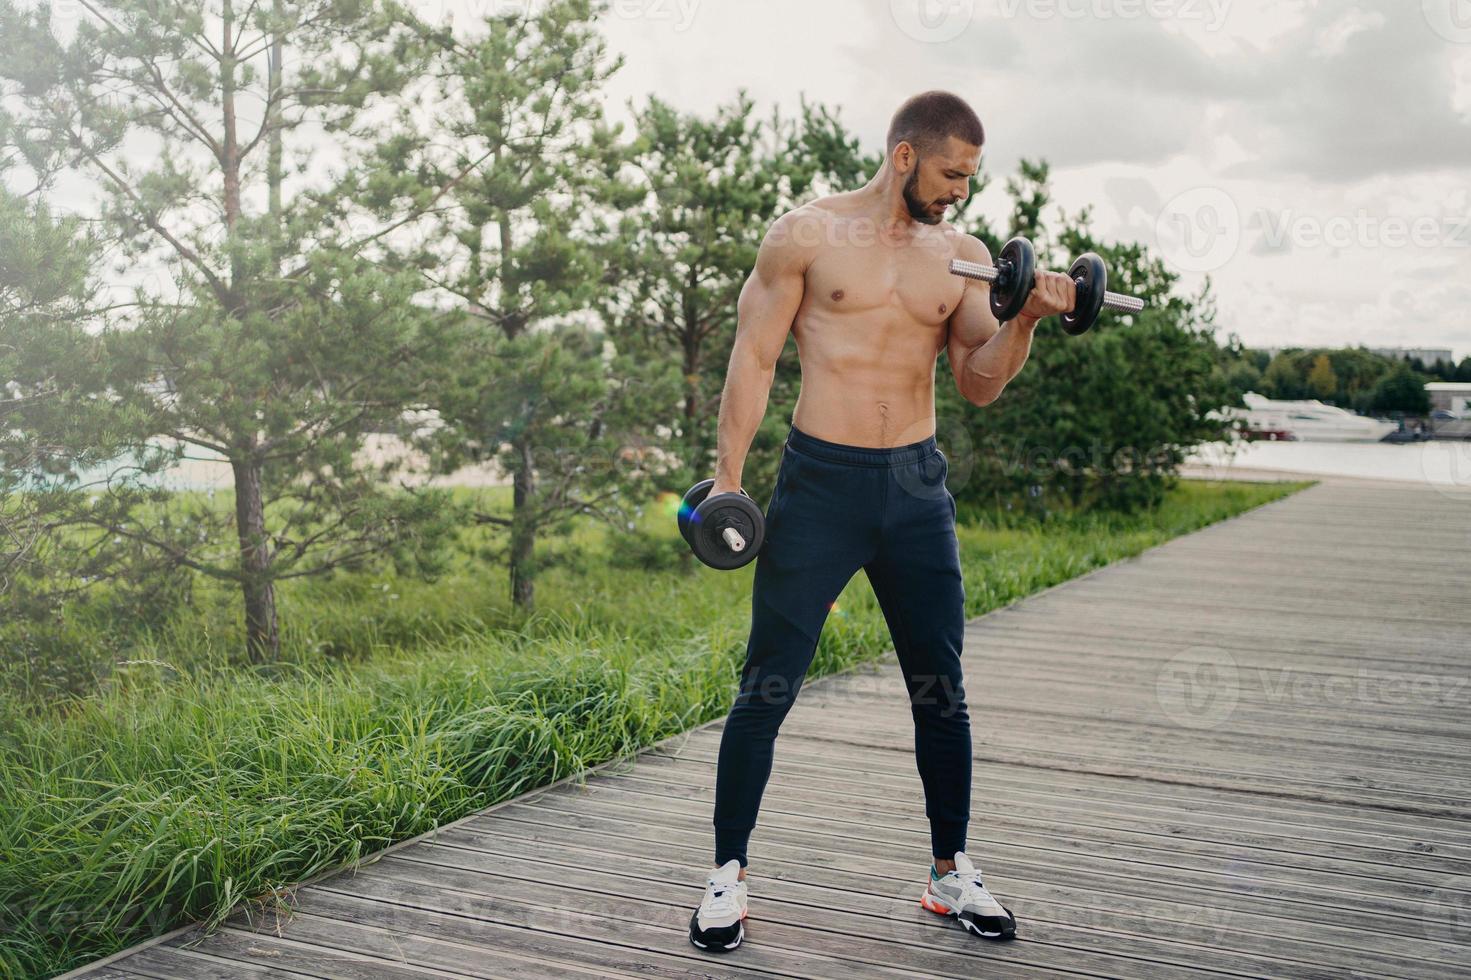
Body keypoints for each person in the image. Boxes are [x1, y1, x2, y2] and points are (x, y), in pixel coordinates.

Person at [687, 90, 1077, 953]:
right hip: (819, 486)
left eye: (969, 180)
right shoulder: (806, 235)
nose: (958, 194)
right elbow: (751, 359)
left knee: (940, 689)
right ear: (905, 157)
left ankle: (949, 873)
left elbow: (979, 379)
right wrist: (726, 482)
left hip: (914, 491)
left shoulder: (967, 259)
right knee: (768, 685)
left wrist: (1025, 322)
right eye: (949, 175)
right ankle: (727, 876)